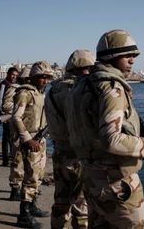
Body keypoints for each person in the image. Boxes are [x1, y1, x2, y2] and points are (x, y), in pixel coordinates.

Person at [69, 29, 144, 228]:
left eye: (134, 55)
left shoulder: (82, 86)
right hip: (117, 184)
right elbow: (111, 139)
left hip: (92, 179)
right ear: (112, 56)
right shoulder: (112, 88)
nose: (132, 60)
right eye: (127, 55)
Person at [45, 50, 94, 229]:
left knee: (60, 202)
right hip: (77, 156)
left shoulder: (52, 91)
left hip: (59, 153)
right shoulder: (78, 91)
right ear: (84, 69)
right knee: (81, 207)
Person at [11, 61, 53, 228]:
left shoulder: (39, 93)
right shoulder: (25, 93)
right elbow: (16, 118)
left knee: (39, 176)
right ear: (34, 77)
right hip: (31, 141)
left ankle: (33, 206)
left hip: (40, 139)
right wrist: (27, 139)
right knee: (30, 178)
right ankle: (24, 214)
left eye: (48, 77)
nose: (46, 80)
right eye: (43, 77)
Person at [8, 65, 31, 201]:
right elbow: (6, 105)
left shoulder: (30, 92)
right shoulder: (16, 90)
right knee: (17, 160)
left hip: (25, 129)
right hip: (18, 130)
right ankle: (15, 189)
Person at [0, 67, 19, 166]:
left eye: (16, 75)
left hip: (13, 113)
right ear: (8, 74)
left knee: (12, 136)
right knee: (6, 137)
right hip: (6, 114)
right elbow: (0, 100)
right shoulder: (4, 84)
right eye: (12, 74)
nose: (14, 77)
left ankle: (11, 157)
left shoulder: (15, 85)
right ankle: (5, 160)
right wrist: (3, 113)